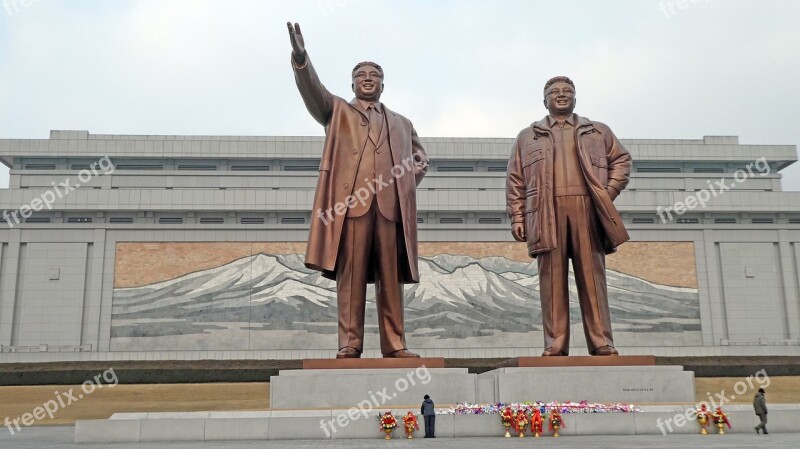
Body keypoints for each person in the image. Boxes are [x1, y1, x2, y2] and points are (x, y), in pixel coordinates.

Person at [287, 22, 429, 359]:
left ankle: (395, 345)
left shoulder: (401, 122)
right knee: (349, 279)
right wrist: (301, 59)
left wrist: (404, 182)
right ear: (352, 83)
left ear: (383, 84)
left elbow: (420, 158)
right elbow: (314, 93)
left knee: (390, 279)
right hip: (352, 208)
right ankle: (350, 343)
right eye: (361, 74)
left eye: (374, 75)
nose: (368, 78)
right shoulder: (338, 112)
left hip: (390, 210)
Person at [506, 76, 632, 356]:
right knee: (551, 281)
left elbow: (621, 160)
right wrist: (517, 217)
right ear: (545, 100)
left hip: (588, 210)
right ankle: (556, 342)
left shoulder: (597, 131)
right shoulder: (528, 136)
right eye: (554, 92)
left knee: (592, 277)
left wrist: (607, 192)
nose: (561, 95)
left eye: (567, 91)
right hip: (545, 212)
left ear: (575, 98)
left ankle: (601, 341)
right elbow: (515, 179)